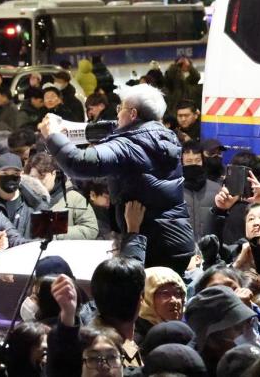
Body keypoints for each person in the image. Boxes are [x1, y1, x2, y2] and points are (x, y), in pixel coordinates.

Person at [39, 83, 195, 274]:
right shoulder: (166, 136)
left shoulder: (127, 146)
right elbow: (120, 129)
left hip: (149, 245)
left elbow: (78, 163)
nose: (117, 114)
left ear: (133, 114)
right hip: (178, 241)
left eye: (120, 109)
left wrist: (53, 136)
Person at [24, 152, 98, 240]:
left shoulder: (74, 198)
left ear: (53, 174)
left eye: (42, 177)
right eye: (33, 178)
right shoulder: (24, 198)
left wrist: (57, 233)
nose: (37, 182)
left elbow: (91, 229)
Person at [0, 152, 51, 238]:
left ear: (21, 175)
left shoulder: (36, 205)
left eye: (15, 174)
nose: (10, 178)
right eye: (4, 174)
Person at [181, 141, 222, 240]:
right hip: (182, 249)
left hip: (209, 249)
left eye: (198, 160)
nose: (194, 164)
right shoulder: (173, 190)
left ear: (203, 161)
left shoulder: (217, 189)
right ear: (181, 162)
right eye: (189, 161)